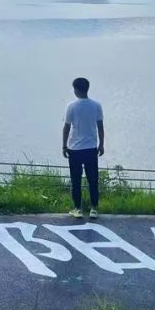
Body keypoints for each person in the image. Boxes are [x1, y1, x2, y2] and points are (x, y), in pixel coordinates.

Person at [62, 77, 104, 219]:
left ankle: (78, 209)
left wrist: (64, 146)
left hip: (75, 149)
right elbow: (100, 127)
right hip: (91, 148)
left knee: (76, 180)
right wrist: (101, 145)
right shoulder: (96, 106)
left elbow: (67, 127)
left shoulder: (71, 106)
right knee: (93, 180)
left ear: (76, 90)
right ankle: (94, 209)